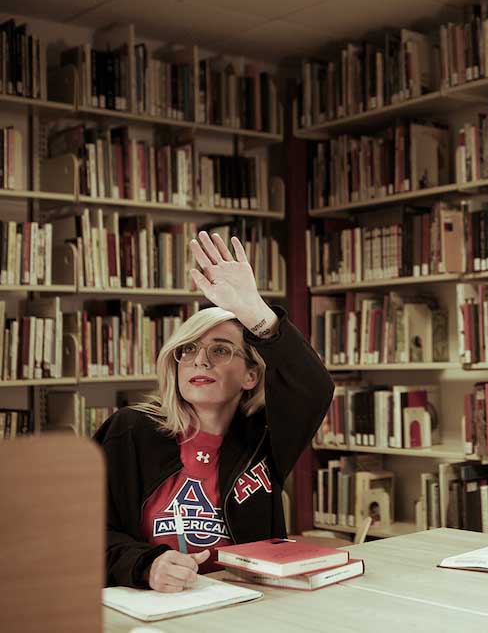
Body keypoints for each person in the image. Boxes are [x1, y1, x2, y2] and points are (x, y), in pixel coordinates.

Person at [96, 231, 334, 593]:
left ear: (251, 375)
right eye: (187, 350)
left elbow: (314, 386)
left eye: (220, 350)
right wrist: (147, 564)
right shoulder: (130, 431)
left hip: (245, 602)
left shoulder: (264, 437)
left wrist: (254, 311)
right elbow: (84, 532)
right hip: (152, 604)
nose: (200, 360)